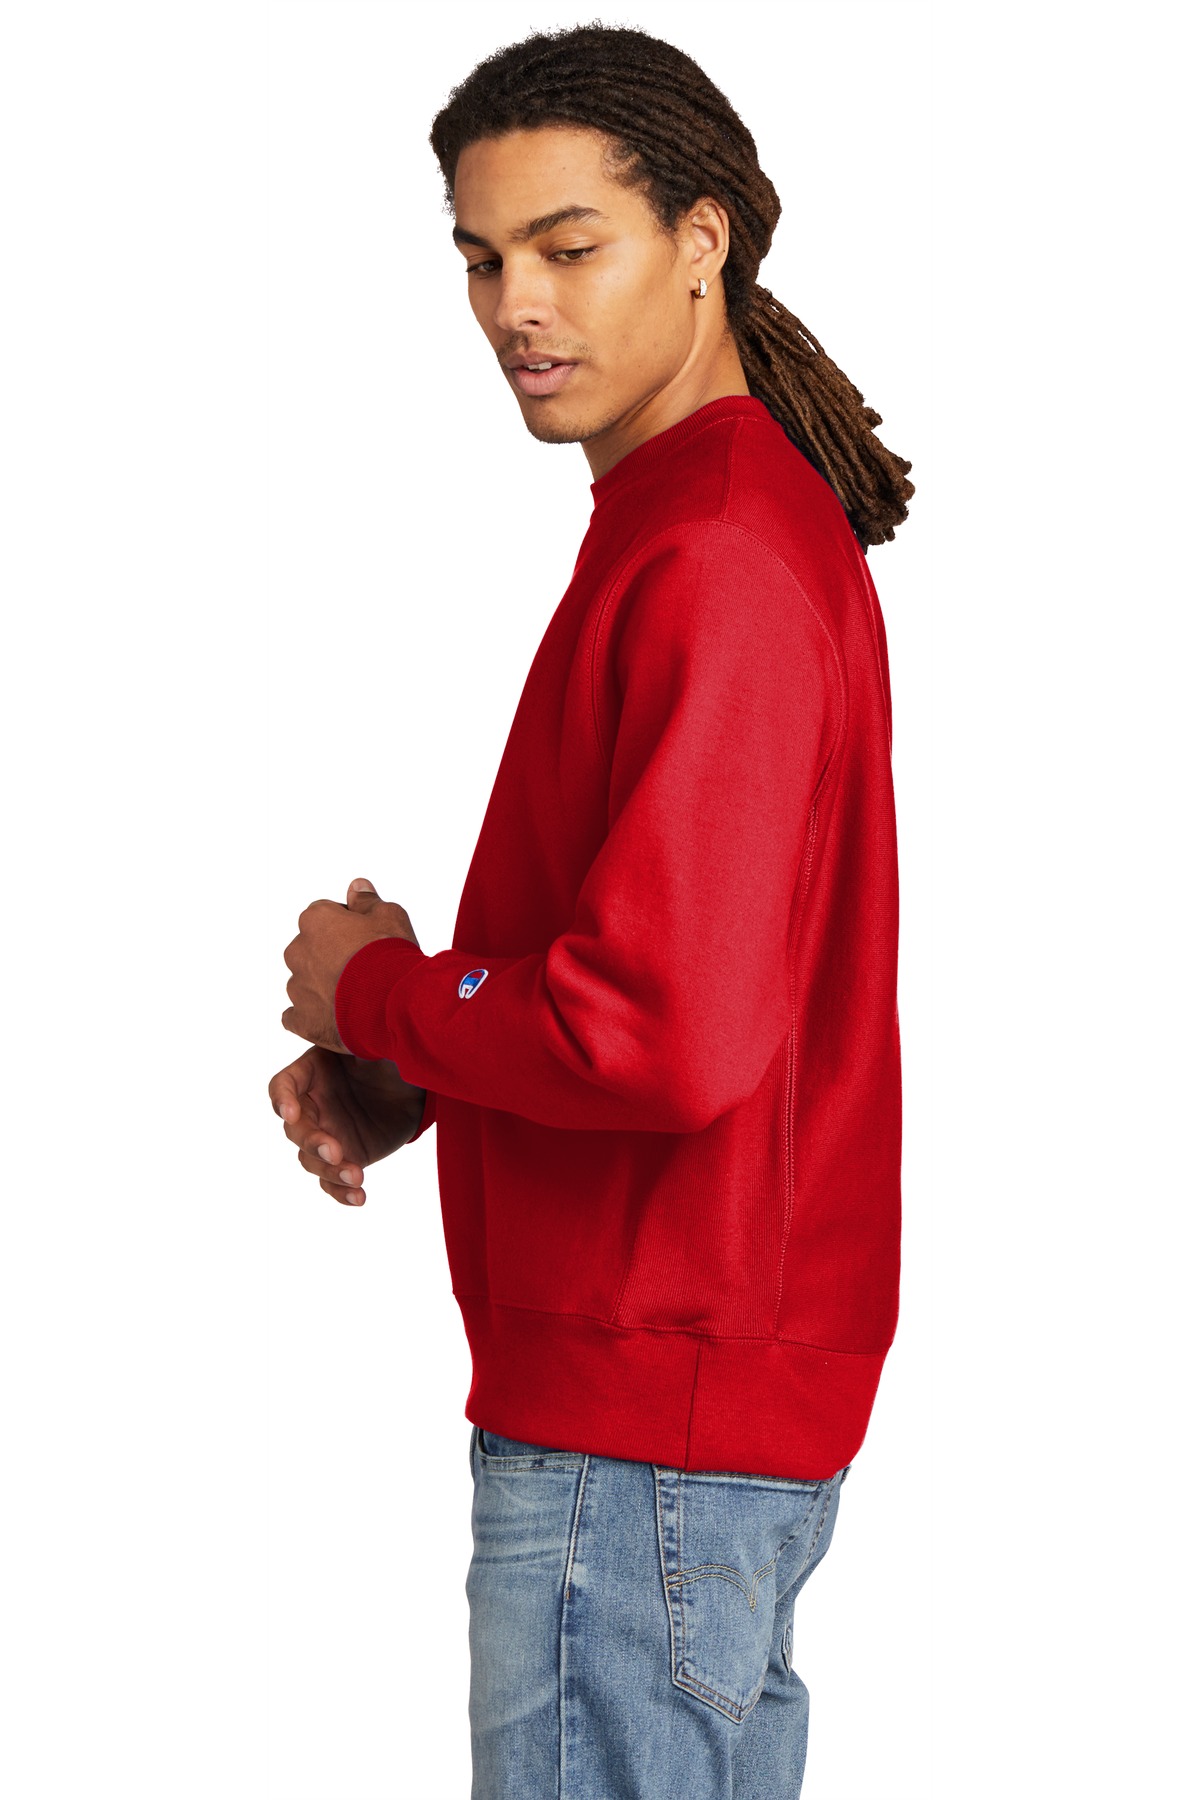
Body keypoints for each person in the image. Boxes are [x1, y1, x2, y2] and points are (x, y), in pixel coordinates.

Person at [269, 23, 913, 1798]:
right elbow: (687, 978)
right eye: (482, 259)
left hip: (645, 1435)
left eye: (570, 247)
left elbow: (666, 1030)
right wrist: (422, 1070)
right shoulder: (695, 519)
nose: (516, 307)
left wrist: (377, 995)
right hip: (676, 1415)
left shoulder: (716, 549)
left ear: (704, 242)